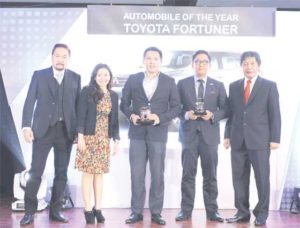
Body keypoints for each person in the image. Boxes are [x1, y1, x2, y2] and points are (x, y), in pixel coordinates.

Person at [20, 43, 81, 226]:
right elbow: (30, 101)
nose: (60, 59)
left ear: (68, 59)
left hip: (65, 132)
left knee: (61, 173)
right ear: (52, 57)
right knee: (36, 171)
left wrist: (78, 131)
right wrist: (26, 126)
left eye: (64, 56)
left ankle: (56, 211)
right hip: (42, 131)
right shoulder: (39, 75)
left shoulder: (76, 78)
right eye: (57, 56)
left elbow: (77, 106)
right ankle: (29, 212)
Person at [120, 47, 181, 225]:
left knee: (157, 174)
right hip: (137, 133)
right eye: (149, 58)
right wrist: (131, 115)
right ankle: (136, 212)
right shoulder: (133, 79)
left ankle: (156, 212)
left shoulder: (169, 81)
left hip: (158, 134)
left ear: (160, 61)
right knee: (136, 174)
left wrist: (160, 118)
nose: (152, 61)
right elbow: (124, 103)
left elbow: (177, 107)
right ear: (143, 60)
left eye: (155, 58)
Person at [224, 51, 281, 226]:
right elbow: (231, 113)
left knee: (262, 178)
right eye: (245, 64)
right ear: (241, 66)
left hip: (260, 140)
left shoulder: (269, 86)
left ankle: (262, 213)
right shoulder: (234, 86)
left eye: (252, 64)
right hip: (238, 140)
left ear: (258, 66)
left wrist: (275, 138)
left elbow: (275, 114)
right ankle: (242, 212)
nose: (248, 67)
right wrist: (227, 135)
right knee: (239, 178)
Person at [175, 50, 228, 223]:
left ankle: (212, 211)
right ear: (192, 64)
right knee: (188, 175)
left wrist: (213, 115)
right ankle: (185, 211)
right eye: (197, 61)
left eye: (204, 61)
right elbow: (175, 107)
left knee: (210, 175)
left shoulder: (218, 85)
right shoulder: (182, 84)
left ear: (209, 65)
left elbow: (226, 109)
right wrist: (185, 115)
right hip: (189, 136)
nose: (201, 64)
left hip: (210, 137)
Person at [75, 63, 120, 224]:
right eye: (99, 75)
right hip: (88, 138)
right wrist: (80, 137)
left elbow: (114, 120)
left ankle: (98, 208)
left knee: (99, 174)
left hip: (103, 139)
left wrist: (116, 140)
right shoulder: (87, 91)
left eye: (106, 74)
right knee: (88, 174)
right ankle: (87, 209)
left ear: (110, 77)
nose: (103, 77)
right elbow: (80, 115)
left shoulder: (113, 95)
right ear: (94, 77)